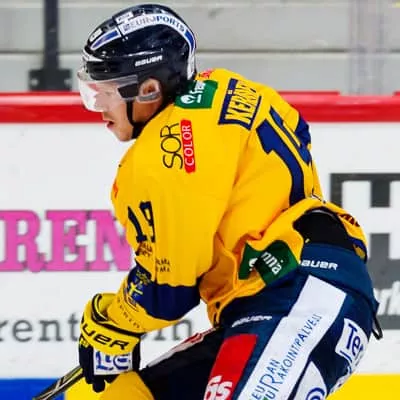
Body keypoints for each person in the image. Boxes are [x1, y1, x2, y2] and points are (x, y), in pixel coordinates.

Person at [76, 3, 382, 399]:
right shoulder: (230, 89)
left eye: (107, 92)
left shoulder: (161, 155)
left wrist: (112, 320)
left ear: (149, 89)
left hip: (298, 296)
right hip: (282, 296)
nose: (99, 107)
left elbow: (169, 290)